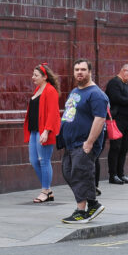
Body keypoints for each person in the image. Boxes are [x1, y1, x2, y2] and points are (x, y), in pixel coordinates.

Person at [59, 59, 109, 224]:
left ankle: (81, 211)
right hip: (70, 144)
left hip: (84, 144)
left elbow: (100, 119)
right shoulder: (74, 91)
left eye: (82, 69)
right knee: (68, 173)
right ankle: (93, 204)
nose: (79, 72)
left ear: (90, 72)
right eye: (76, 70)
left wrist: (89, 142)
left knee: (80, 174)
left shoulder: (96, 94)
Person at [24, 63, 61, 203]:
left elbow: (53, 113)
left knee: (44, 160)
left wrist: (46, 131)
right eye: (33, 74)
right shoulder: (38, 89)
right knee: (34, 160)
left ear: (45, 77)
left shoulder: (50, 90)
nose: (33, 77)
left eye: (36, 75)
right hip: (34, 130)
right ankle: (48, 190)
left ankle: (45, 190)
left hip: (44, 131)